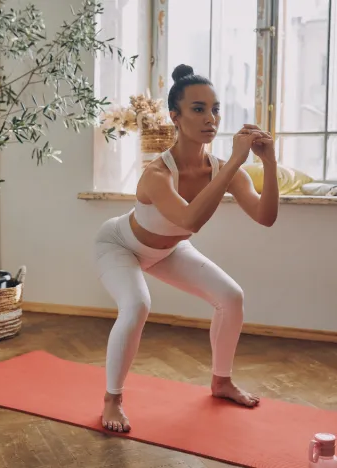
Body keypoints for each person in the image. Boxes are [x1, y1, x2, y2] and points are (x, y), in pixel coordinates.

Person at [93, 64, 280, 433]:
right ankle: (112, 399)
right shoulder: (156, 174)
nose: (210, 118)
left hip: (167, 251)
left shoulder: (225, 168)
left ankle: (221, 381)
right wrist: (235, 164)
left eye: (215, 108)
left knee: (231, 297)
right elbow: (190, 221)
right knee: (137, 305)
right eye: (198, 109)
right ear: (175, 117)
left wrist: (268, 162)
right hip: (120, 245)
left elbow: (265, 216)